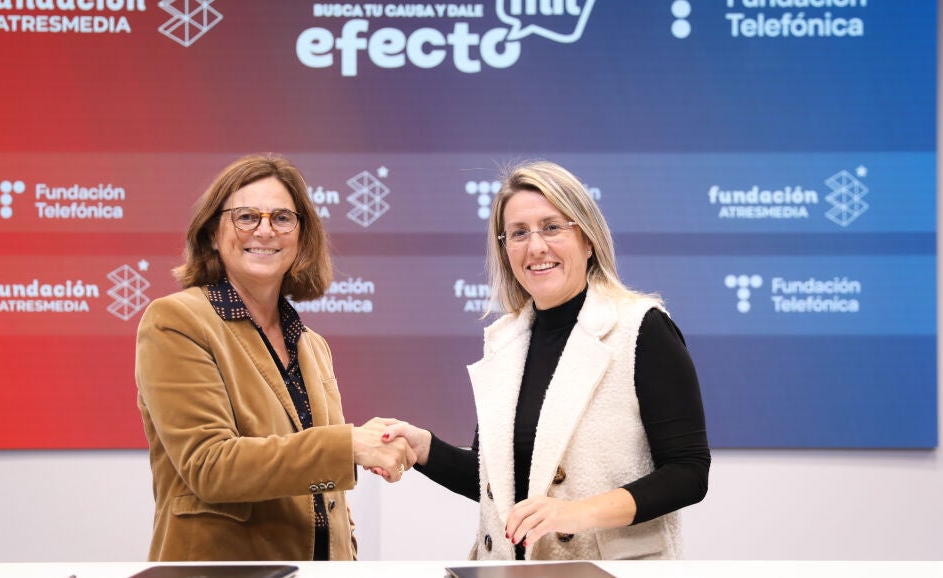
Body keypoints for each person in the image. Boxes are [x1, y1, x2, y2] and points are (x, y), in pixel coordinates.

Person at [379, 160, 710, 560]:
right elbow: (499, 484)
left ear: (588, 240)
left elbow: (688, 472)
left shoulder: (642, 328)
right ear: (506, 250)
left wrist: (576, 513)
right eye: (519, 233)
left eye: (552, 227)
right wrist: (425, 449)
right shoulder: (505, 342)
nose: (535, 247)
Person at [135, 153, 415, 561]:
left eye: (282, 218)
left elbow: (325, 491)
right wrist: (348, 445)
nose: (265, 230)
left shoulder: (312, 345)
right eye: (246, 217)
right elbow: (209, 466)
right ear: (213, 234)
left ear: (301, 237)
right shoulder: (176, 321)